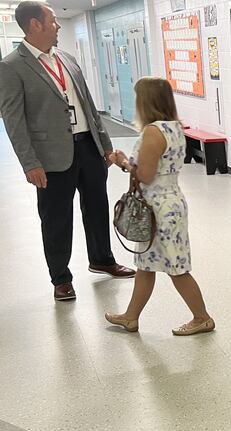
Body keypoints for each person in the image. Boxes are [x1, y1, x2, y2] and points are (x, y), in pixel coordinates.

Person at [0, 1, 134, 302]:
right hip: (50, 157)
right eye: (52, 20)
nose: (58, 25)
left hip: (88, 146)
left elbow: (88, 104)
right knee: (56, 217)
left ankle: (102, 258)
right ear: (35, 24)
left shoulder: (67, 58)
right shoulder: (11, 67)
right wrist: (29, 163)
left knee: (98, 207)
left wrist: (106, 146)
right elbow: (14, 121)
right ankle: (60, 277)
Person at [104, 77, 214, 336]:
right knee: (146, 263)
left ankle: (202, 317)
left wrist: (123, 162)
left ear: (146, 101)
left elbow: (145, 175)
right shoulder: (174, 127)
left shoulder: (153, 132)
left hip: (160, 209)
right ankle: (131, 317)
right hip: (168, 202)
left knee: (176, 267)